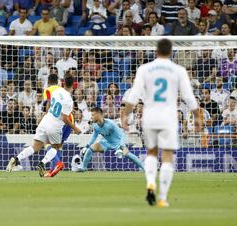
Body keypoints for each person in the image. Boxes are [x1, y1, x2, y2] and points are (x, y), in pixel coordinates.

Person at [122, 39, 201, 208]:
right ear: (171, 51)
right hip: (168, 117)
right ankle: (162, 197)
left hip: (149, 116)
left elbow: (134, 95)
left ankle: (151, 182)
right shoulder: (178, 70)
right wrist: (197, 116)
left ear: (156, 51)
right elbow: (188, 96)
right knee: (167, 156)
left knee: (151, 152)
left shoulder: (144, 69)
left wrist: (125, 116)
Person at [6, 75, 81, 177]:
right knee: (56, 147)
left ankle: (16, 158)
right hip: (55, 125)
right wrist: (75, 128)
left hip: (45, 120)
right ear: (73, 86)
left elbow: (49, 104)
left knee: (35, 147)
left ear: (63, 84)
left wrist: (47, 114)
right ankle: (42, 163)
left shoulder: (56, 91)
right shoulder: (69, 100)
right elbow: (64, 118)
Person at [77, 107, 144, 172]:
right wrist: (87, 146)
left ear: (98, 114)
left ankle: (144, 167)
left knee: (128, 155)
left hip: (117, 143)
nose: (91, 117)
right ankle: (83, 167)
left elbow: (122, 135)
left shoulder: (110, 123)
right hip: (105, 143)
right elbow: (94, 136)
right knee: (90, 149)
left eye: (93, 115)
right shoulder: (95, 125)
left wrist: (121, 147)